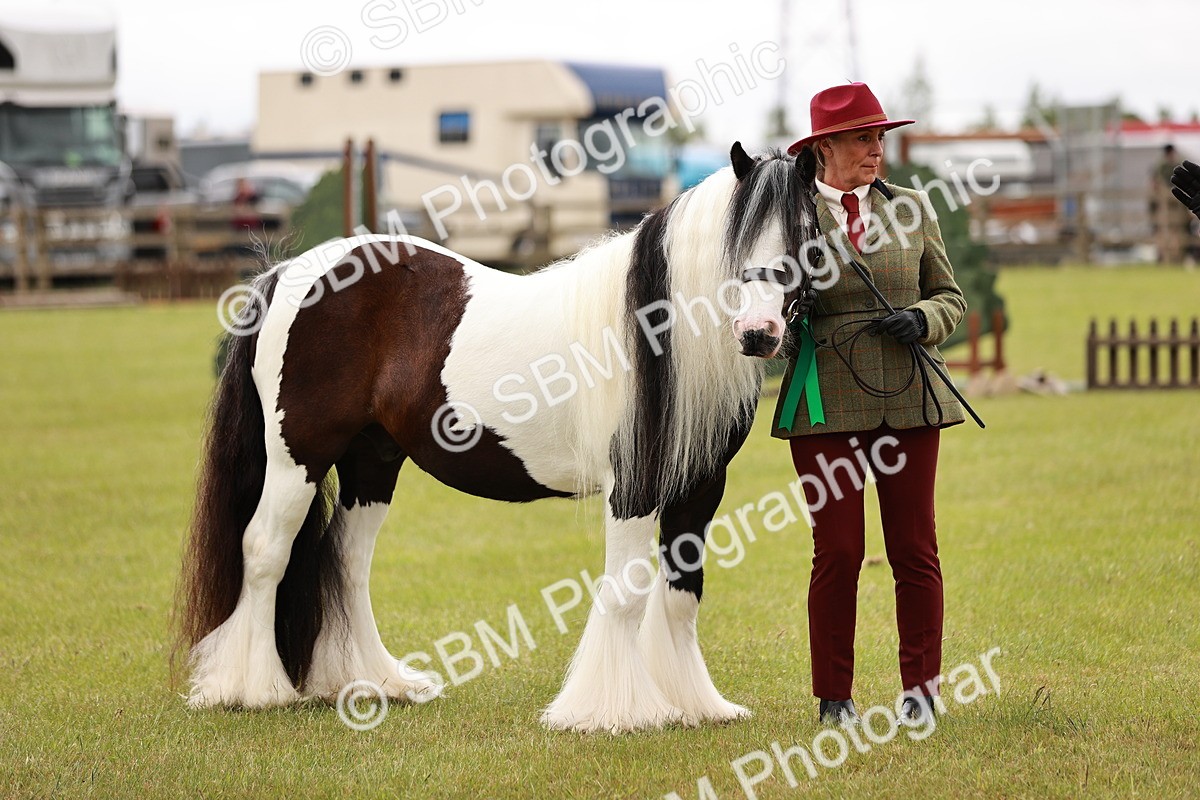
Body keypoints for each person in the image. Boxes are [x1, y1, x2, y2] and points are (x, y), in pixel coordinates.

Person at [771, 82, 967, 727]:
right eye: (862, 138)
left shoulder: (912, 207)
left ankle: (922, 692)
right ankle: (835, 697)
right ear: (824, 147)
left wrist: (923, 319)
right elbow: (760, 301)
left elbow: (951, 297)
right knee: (838, 552)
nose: (876, 149)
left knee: (915, 549)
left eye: (879, 137)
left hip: (910, 398)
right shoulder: (789, 218)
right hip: (825, 403)